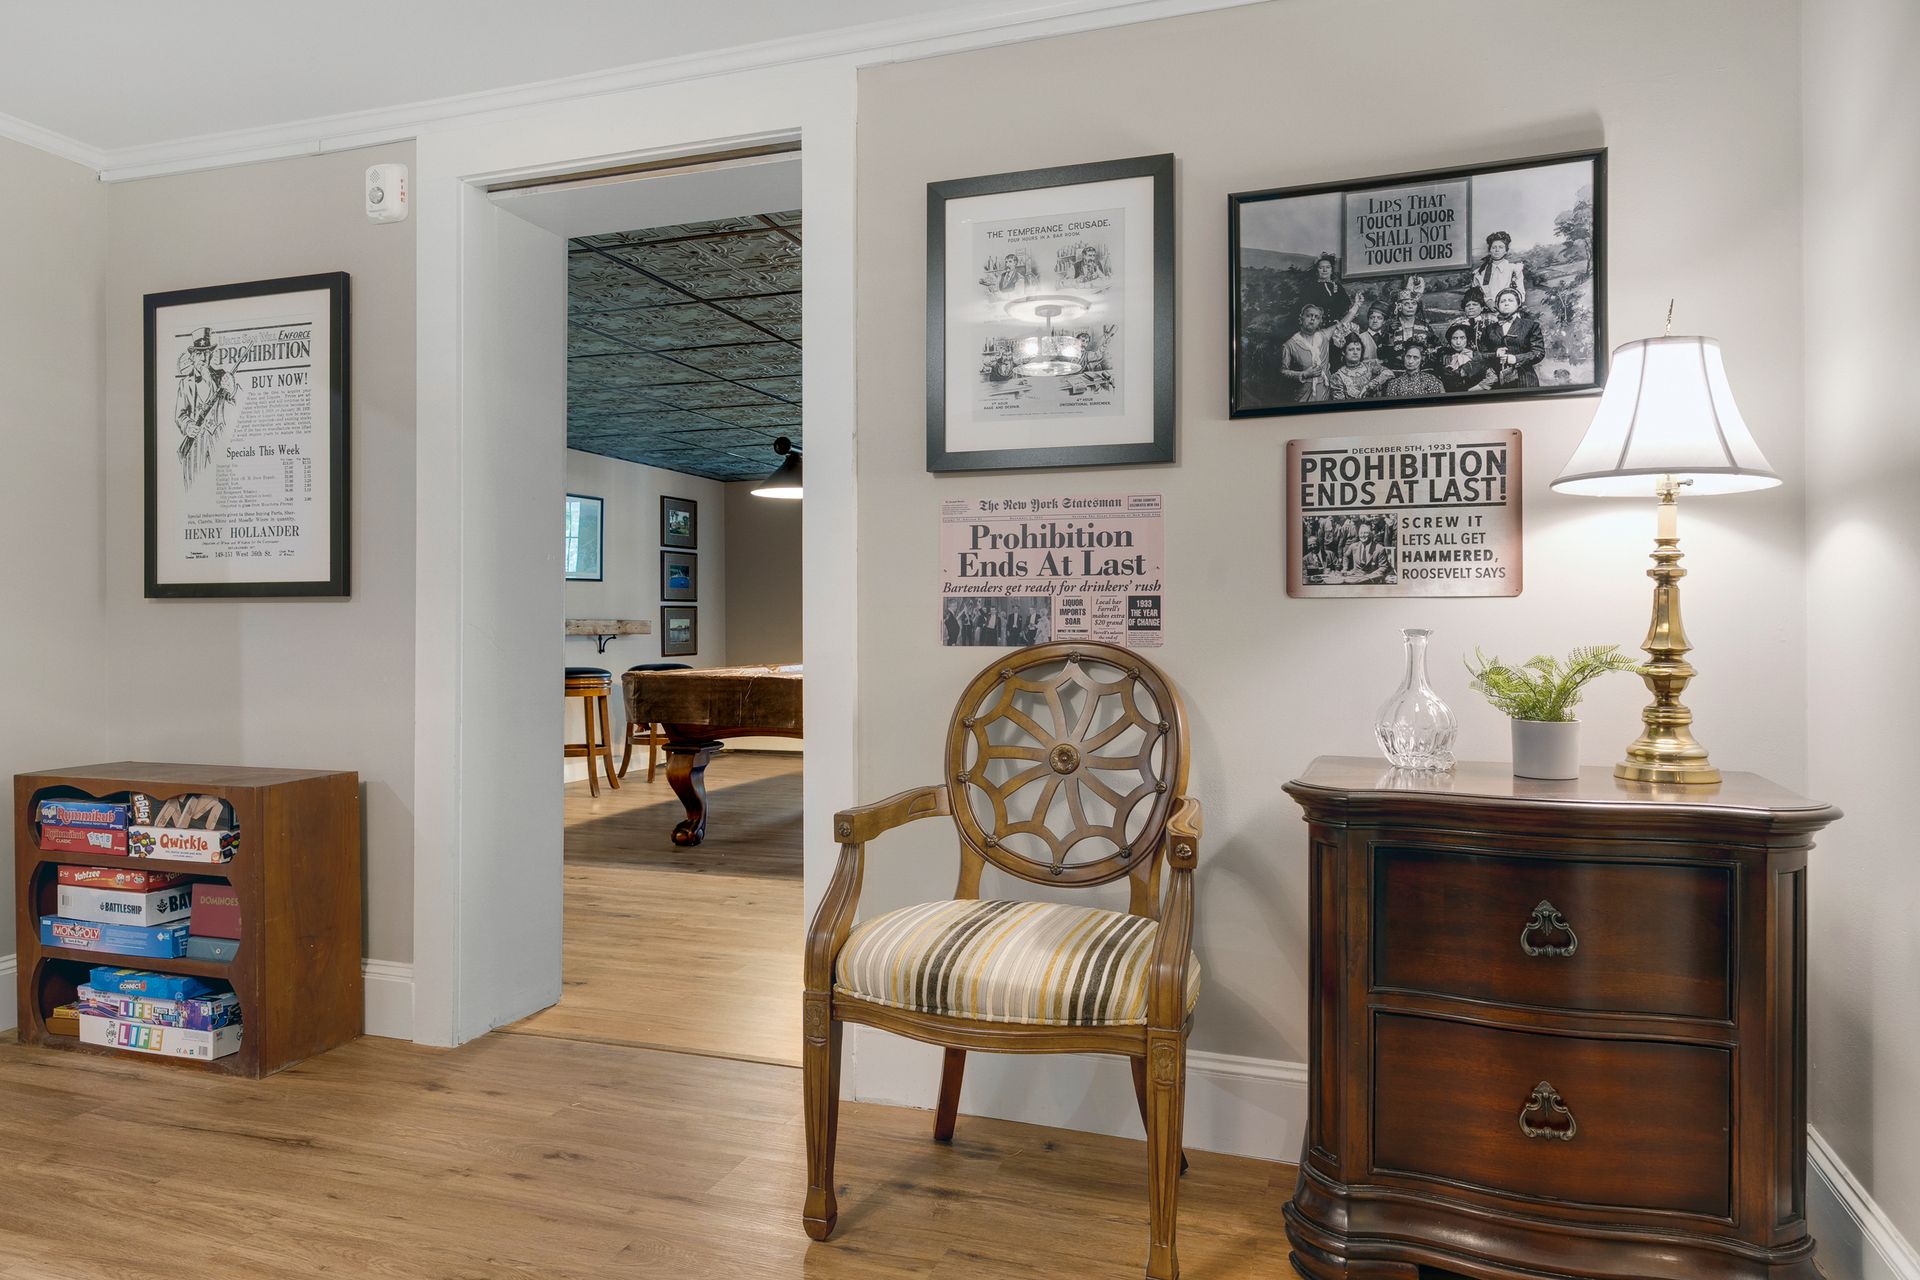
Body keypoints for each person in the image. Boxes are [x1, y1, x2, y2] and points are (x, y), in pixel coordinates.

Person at [173, 326, 236, 487]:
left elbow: (235, 404)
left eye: (207, 353)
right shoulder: (185, 384)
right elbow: (180, 415)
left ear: (211, 354)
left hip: (219, 442)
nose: (203, 358)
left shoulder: (222, 377)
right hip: (195, 445)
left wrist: (232, 390)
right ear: (192, 356)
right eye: (199, 353)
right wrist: (187, 426)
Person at [1479, 287, 1546, 387]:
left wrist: (1515, 358)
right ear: (1497, 305)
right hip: (1497, 381)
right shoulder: (1489, 329)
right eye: (1502, 301)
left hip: (1524, 379)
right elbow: (1482, 354)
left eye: (1510, 300)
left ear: (1518, 304)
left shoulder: (1531, 326)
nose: (1506, 303)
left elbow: (1538, 352)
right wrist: (1495, 354)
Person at [1279, 303, 1339, 402]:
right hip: (1303, 394)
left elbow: (1342, 323)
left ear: (1320, 322)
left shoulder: (1324, 336)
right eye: (1309, 315)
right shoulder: (1289, 345)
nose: (1312, 319)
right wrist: (1304, 374)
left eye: (1316, 317)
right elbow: (1282, 371)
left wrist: (1356, 306)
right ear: (1301, 318)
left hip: (1325, 392)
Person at [1376, 291, 1434, 372]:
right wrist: (1390, 333)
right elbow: (1382, 354)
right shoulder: (1390, 326)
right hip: (1396, 370)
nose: (1410, 307)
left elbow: (1433, 347)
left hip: (1421, 370)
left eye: (1413, 303)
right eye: (1406, 304)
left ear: (1417, 306)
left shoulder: (1425, 326)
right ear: (1399, 306)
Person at [1329, 335, 1392, 401]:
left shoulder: (1370, 365)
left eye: (1358, 349)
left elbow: (1389, 373)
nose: (1355, 352)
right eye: (1351, 349)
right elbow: (1340, 405)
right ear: (1343, 352)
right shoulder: (1337, 377)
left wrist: (1368, 386)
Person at [1471, 231, 1527, 306]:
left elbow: (1521, 293)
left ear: (1506, 251)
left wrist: (1506, 304)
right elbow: (1474, 296)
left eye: (1501, 247)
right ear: (1489, 250)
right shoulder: (1479, 273)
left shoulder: (1514, 270)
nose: (1497, 250)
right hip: (1486, 313)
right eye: (1494, 247)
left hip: (1509, 311)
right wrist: (1487, 301)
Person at [1437, 323, 1495, 393]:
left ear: (1467, 339)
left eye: (1462, 338)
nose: (1458, 342)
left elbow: (1493, 378)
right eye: (1454, 338)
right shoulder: (1443, 357)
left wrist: (1472, 390)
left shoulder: (1475, 356)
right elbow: (1437, 378)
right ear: (1450, 340)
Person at [1301, 253, 1352, 328]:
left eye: (1328, 267)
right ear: (1317, 270)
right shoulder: (1310, 288)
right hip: (1316, 327)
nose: (1325, 270)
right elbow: (1307, 309)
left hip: (1337, 326)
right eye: (1321, 268)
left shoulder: (1338, 286)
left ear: (1331, 270)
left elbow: (1346, 305)